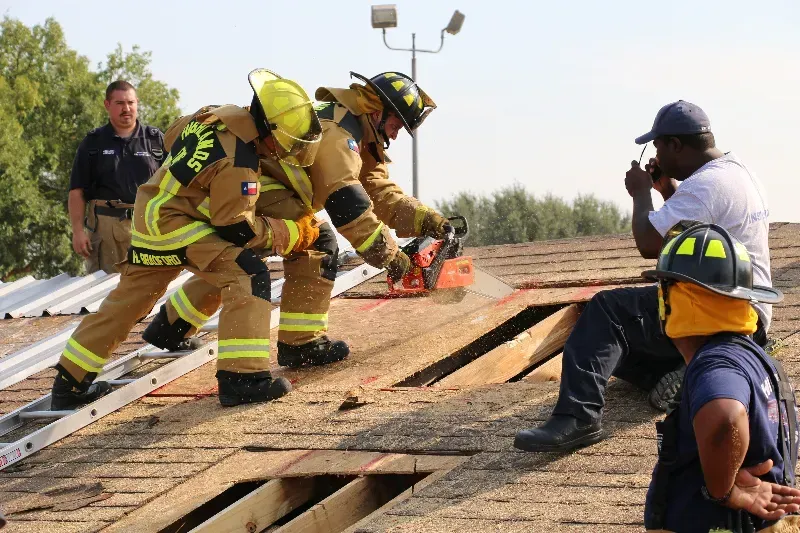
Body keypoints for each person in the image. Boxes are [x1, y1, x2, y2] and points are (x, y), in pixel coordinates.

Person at [140, 71, 456, 368]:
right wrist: (390, 257)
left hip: (263, 185)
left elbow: (380, 192)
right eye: (396, 126)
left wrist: (429, 221)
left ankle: (171, 326)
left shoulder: (358, 132)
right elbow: (349, 206)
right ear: (378, 112)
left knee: (238, 259)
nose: (396, 135)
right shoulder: (339, 135)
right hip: (255, 183)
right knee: (318, 242)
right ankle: (300, 344)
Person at [50, 69, 322, 410]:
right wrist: (293, 233)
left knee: (127, 303)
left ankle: (69, 384)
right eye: (283, 143)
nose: (283, 151)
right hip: (174, 225)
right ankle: (242, 378)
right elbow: (237, 229)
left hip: (149, 215)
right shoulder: (241, 160)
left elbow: (172, 136)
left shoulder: (214, 115)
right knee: (247, 272)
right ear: (268, 130)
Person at [514, 100, 775, 453]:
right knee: (610, 346)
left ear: (675, 145)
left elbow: (650, 243)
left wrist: (640, 194)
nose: (655, 154)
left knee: (607, 311)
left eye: (658, 146)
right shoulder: (734, 170)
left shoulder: (707, 184)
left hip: (720, 314)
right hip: (744, 316)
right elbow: (690, 232)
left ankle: (577, 418)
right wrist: (665, 189)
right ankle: (683, 373)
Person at [641, 223, 800, 533]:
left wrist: (724, 489)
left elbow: (725, 417)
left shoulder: (715, 363)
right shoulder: (755, 360)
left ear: (682, 297)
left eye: (665, 288)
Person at [69, 80, 166, 273]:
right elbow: (77, 191)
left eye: (131, 103)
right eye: (120, 103)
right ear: (107, 105)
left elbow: (175, 186)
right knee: (104, 293)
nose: (126, 109)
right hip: (106, 231)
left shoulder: (155, 140)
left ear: (137, 103)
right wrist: (78, 231)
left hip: (149, 229)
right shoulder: (93, 142)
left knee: (149, 291)